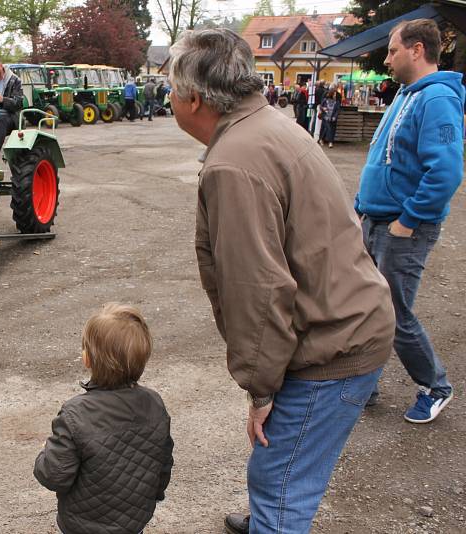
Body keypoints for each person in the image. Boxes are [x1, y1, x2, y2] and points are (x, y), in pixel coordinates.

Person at [166, 29, 394, 533]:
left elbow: (258, 291)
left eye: (170, 90)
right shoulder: (266, 124)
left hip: (333, 346)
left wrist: (262, 391)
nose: (169, 100)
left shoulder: (234, 162)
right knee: (283, 471)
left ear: (195, 98)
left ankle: (275, 519)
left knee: (280, 479)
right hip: (349, 321)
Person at [356, 19, 464, 422]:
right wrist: (361, 205)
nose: (387, 59)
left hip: (402, 228)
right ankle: (364, 384)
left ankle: (436, 386)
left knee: (394, 313)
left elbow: (447, 171)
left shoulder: (436, 98)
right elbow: (383, 161)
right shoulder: (407, 94)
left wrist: (409, 220)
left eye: (392, 50)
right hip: (376, 220)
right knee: (368, 306)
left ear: (417, 50)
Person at [34, 303, 174, 534]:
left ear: (87, 359)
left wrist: (46, 452)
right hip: (133, 520)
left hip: (82, 525)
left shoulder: (75, 414)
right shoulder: (154, 404)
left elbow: (54, 475)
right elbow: (163, 461)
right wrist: (155, 494)